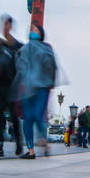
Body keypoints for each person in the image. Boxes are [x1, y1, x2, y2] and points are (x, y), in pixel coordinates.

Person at [16, 24, 57, 159]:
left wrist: (50, 82)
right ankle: (31, 151)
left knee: (37, 116)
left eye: (34, 30)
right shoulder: (25, 49)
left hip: (41, 89)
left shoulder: (46, 48)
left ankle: (44, 143)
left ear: (40, 33)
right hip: (27, 89)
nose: (31, 32)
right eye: (30, 30)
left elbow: (52, 66)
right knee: (27, 120)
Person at [0, 15, 24, 157]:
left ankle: (19, 143)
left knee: (14, 116)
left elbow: (23, 68)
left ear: (11, 26)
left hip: (12, 87)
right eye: (3, 25)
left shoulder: (18, 47)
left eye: (7, 24)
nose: (5, 27)